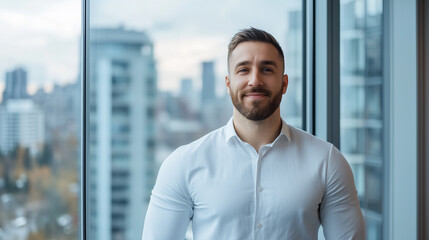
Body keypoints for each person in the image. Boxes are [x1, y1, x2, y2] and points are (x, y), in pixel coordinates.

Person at [142, 27, 365, 240]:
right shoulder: (184, 164)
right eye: (243, 69)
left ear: (284, 83)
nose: (255, 80)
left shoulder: (327, 162)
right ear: (228, 84)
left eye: (267, 69)